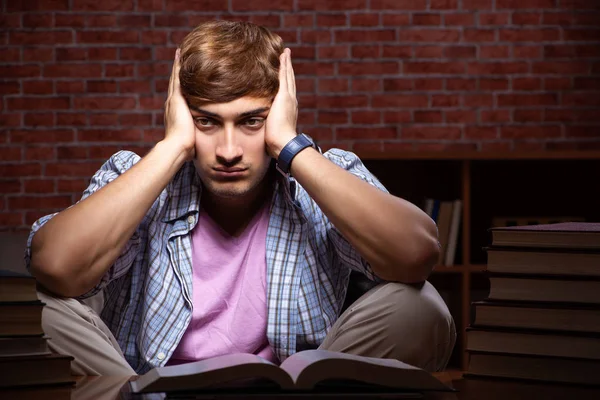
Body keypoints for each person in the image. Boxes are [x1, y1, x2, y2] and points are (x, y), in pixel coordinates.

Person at [26, 21, 456, 376]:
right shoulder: (138, 177)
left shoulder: (321, 175)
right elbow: (55, 268)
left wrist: (288, 145)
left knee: (418, 306)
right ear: (180, 114)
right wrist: (174, 145)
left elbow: (417, 253)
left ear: (280, 112)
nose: (228, 150)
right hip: (147, 390)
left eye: (251, 121)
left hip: (291, 389)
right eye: (207, 122)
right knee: (36, 310)